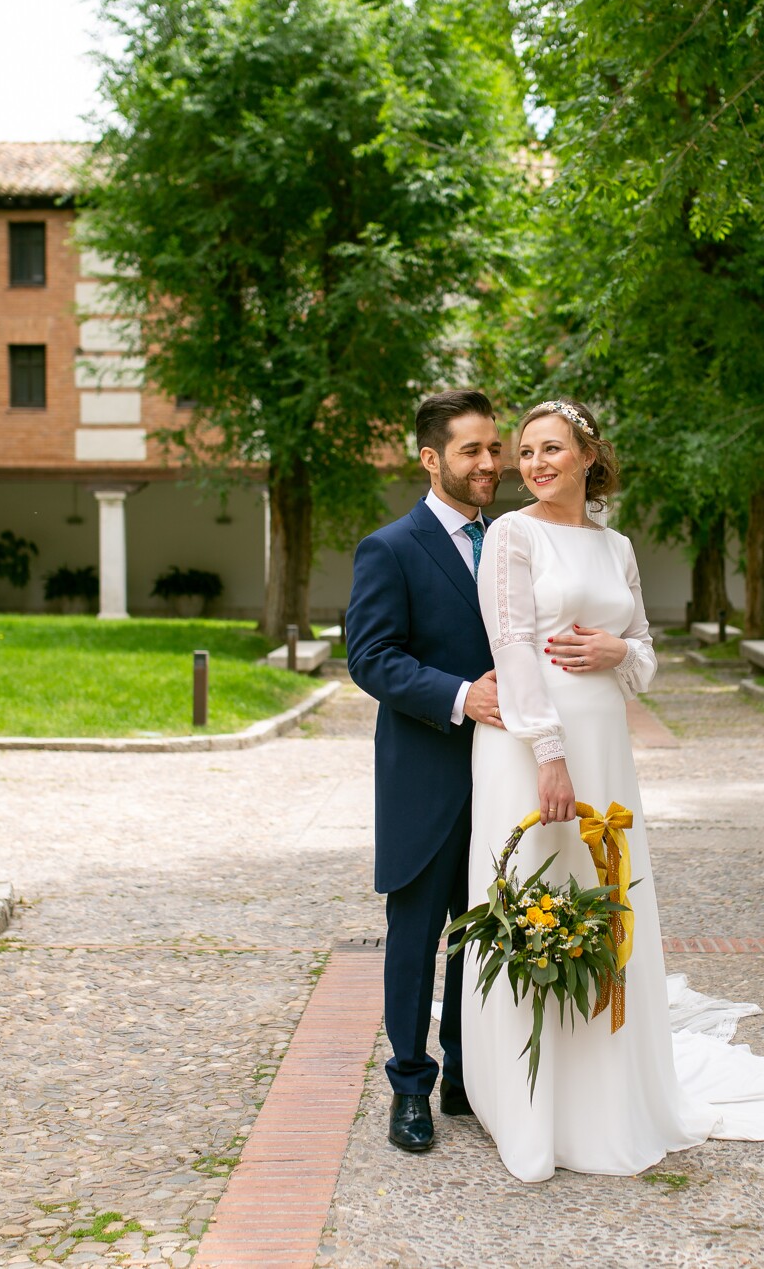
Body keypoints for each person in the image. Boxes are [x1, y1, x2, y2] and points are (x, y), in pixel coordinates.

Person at [461, 398, 764, 1182]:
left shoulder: (618, 544)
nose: (534, 463)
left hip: (606, 742)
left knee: (605, 899)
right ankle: (532, 1106)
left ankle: (606, 1096)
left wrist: (617, 646)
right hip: (534, 744)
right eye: (525, 451)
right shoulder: (511, 535)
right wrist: (549, 754)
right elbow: (515, 646)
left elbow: (647, 656)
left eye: (551, 448)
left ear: (589, 456)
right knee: (539, 899)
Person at [345, 389, 505, 1153]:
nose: (489, 464)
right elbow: (371, 658)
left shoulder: (512, 541)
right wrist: (460, 696)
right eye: (472, 450)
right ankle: (410, 1084)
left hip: (503, 775)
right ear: (431, 458)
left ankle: (466, 1073)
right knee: (416, 938)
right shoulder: (391, 547)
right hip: (425, 772)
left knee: (484, 930)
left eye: (493, 448)